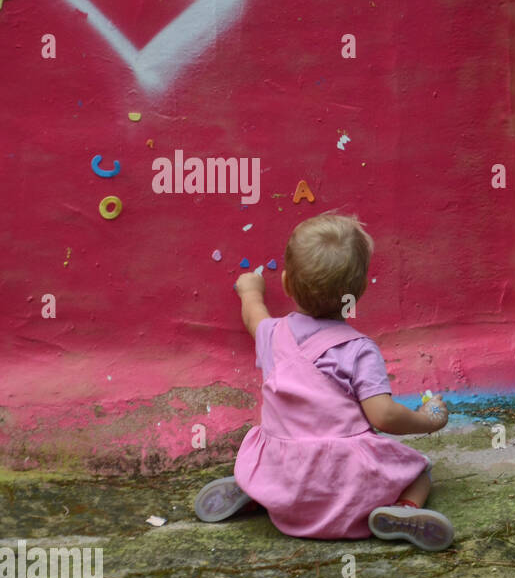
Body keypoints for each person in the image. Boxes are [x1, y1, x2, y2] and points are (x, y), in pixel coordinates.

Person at [193, 211, 454, 551]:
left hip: (287, 479)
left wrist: (249, 290)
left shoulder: (272, 335)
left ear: (287, 283)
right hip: (345, 488)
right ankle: (401, 510)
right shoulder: (359, 350)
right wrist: (429, 418)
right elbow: (384, 416)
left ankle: (258, 491)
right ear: (358, 292)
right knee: (419, 470)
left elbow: (252, 315)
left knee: (273, 455)